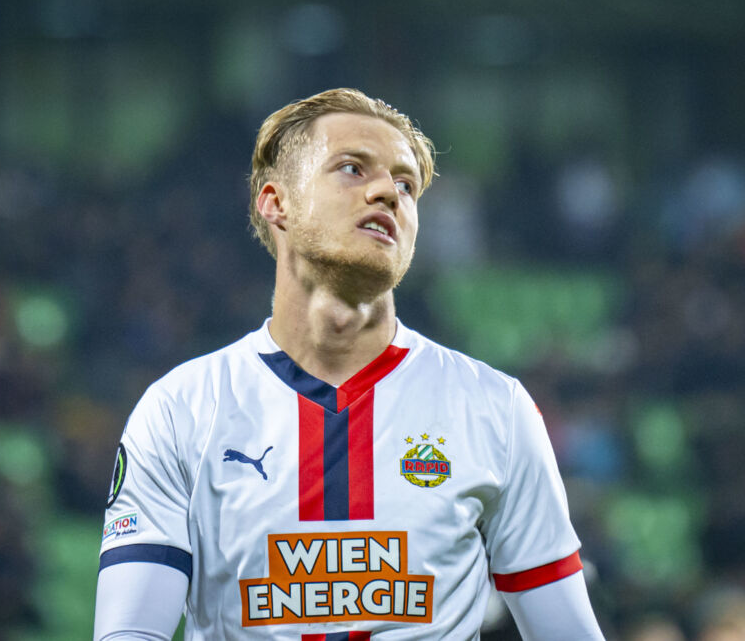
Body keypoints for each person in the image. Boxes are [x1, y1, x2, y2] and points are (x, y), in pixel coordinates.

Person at [93, 88, 604, 640]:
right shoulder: (181, 409)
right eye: (353, 169)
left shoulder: (495, 408)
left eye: (405, 185)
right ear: (276, 202)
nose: (387, 192)